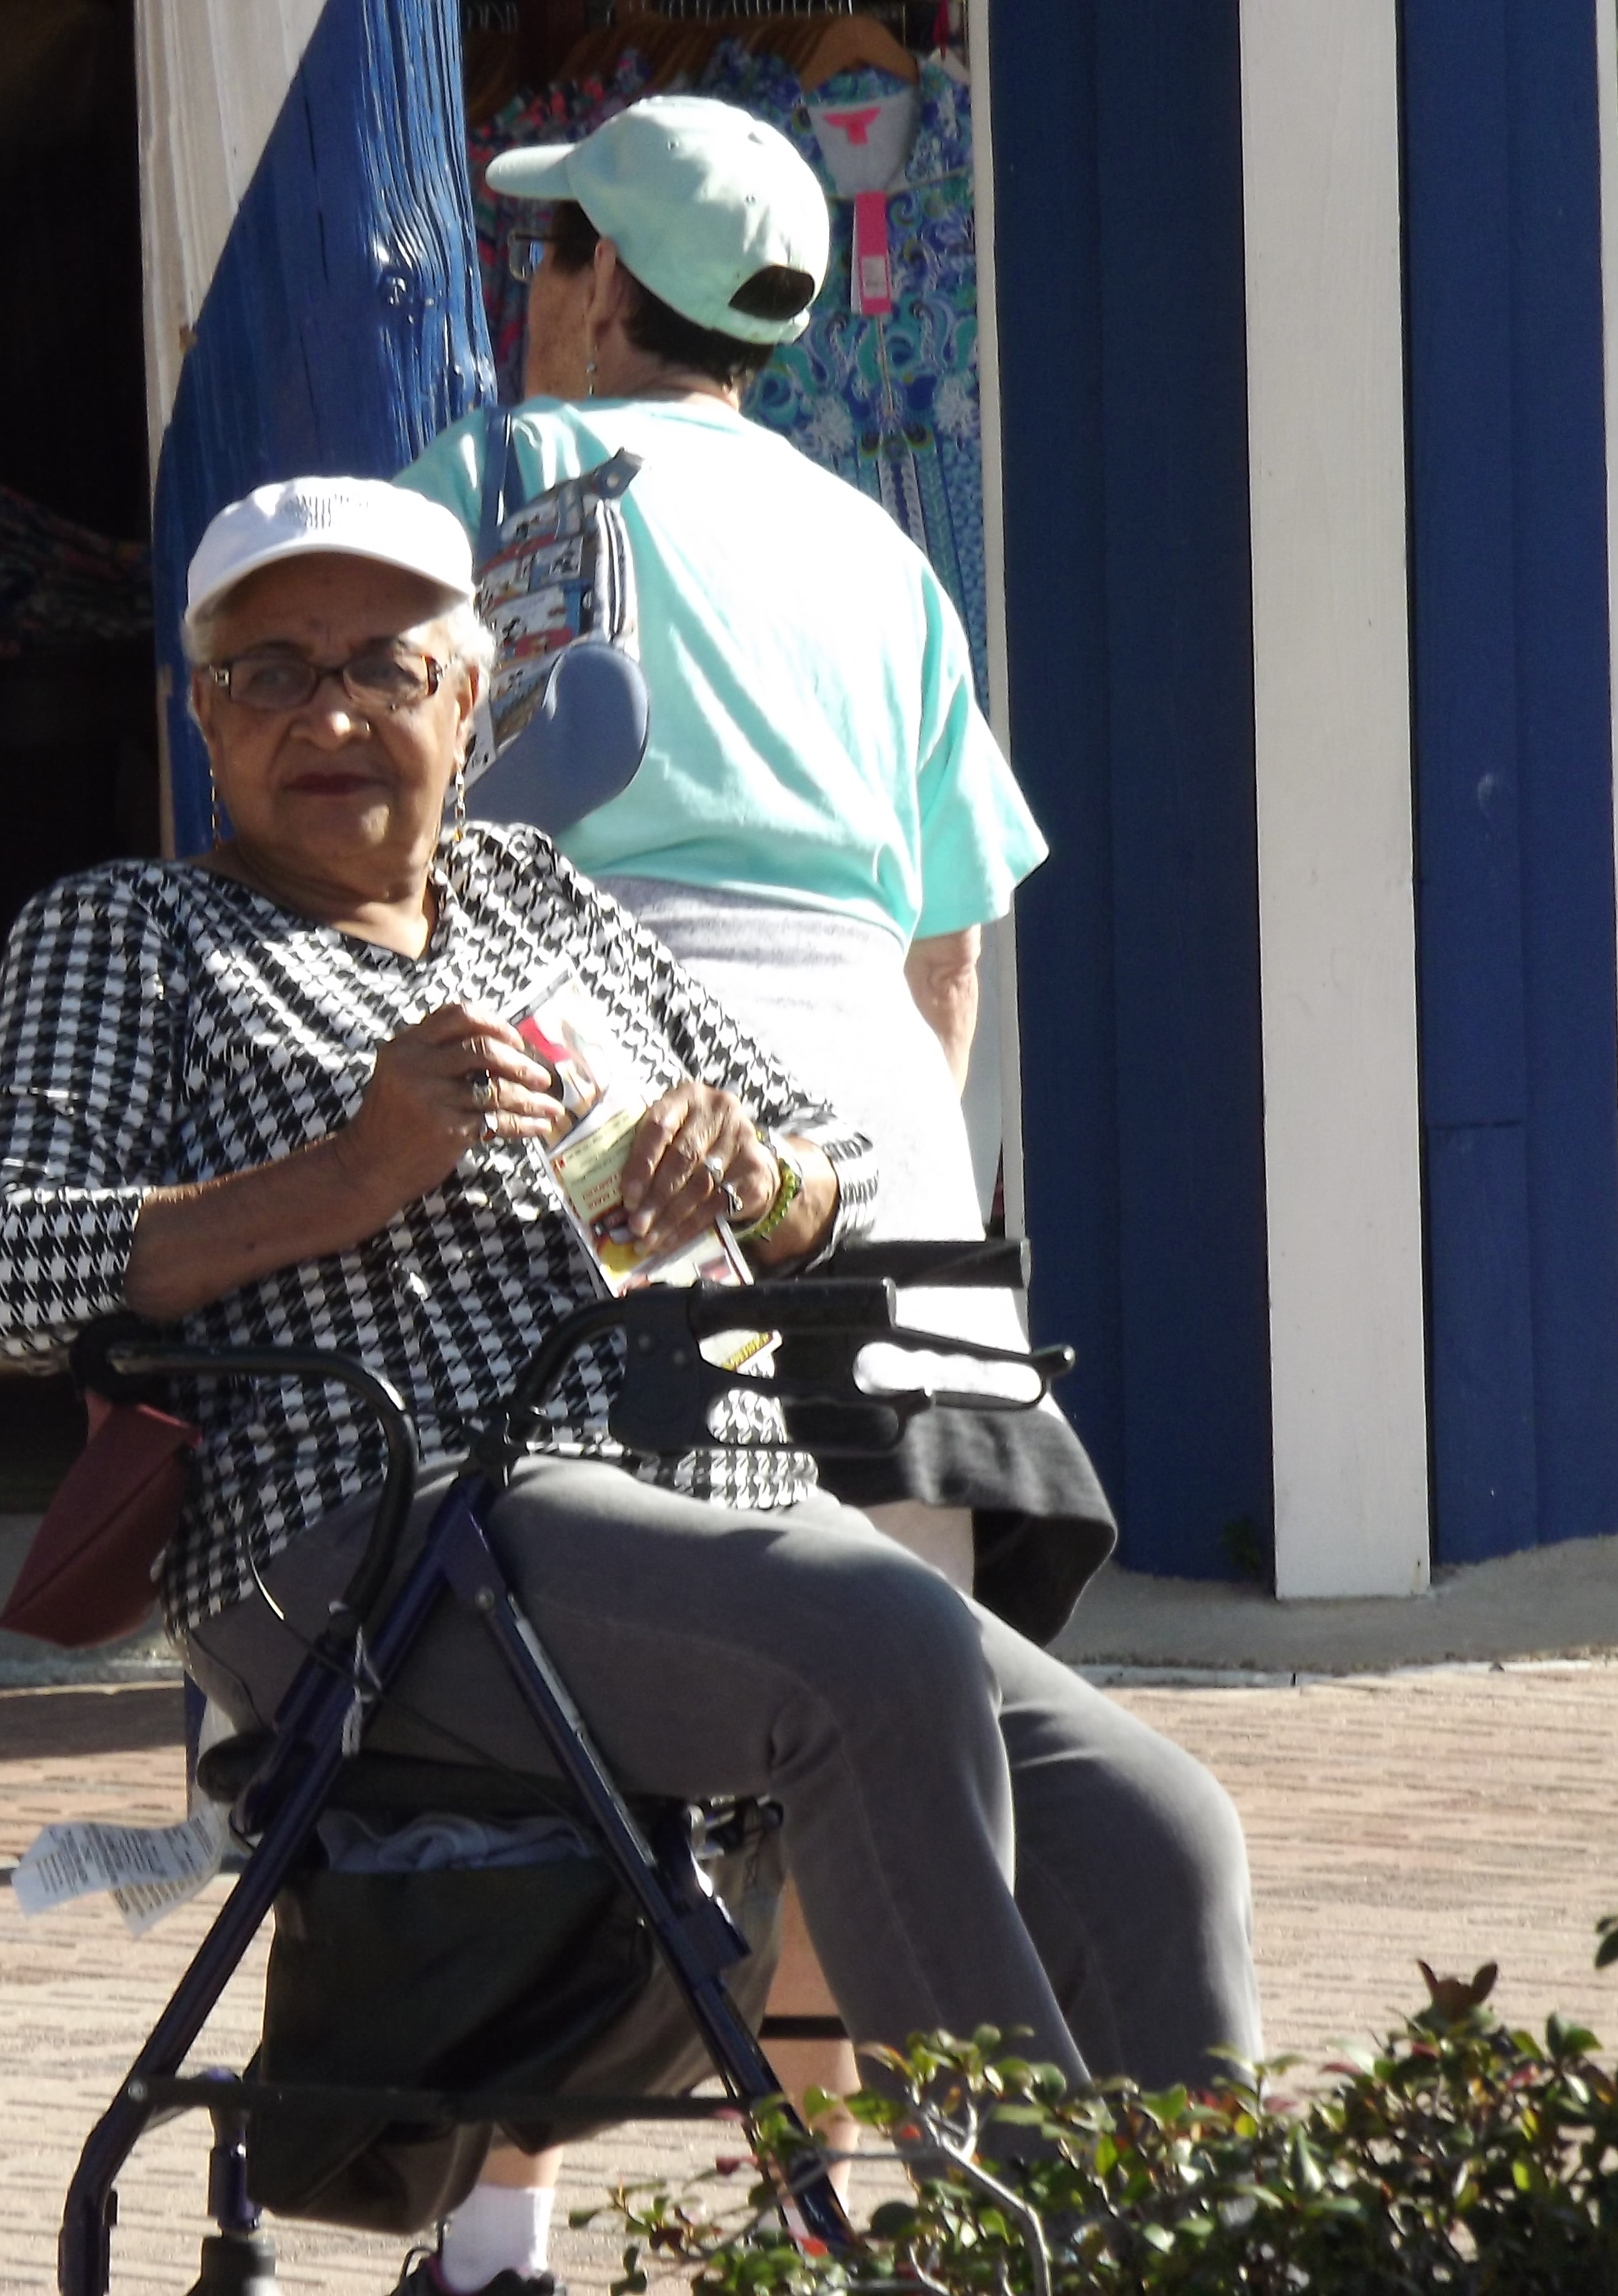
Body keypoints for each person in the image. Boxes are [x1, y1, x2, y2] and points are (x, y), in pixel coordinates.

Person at [0, 479, 1259, 2296]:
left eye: (380, 668)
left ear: (467, 702)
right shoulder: (128, 936)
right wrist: (347, 1174)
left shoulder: (535, 896)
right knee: (866, 1640)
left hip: (691, 1504)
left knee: (1150, 1824)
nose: (328, 714)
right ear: (202, 717)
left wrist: (750, 1167)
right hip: (372, 1535)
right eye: (268, 672)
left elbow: (827, 1176)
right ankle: (1023, 2254)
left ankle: (1206, 2261)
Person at [396, 96, 1053, 1596]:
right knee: (912, 1684)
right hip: (874, 1153)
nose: (532, 296)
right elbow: (945, 965)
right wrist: (841, 1179)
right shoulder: (884, 561)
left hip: (618, 1141)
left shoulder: (493, 478)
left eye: (551, 256)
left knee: (639, 1654)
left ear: (611, 286)